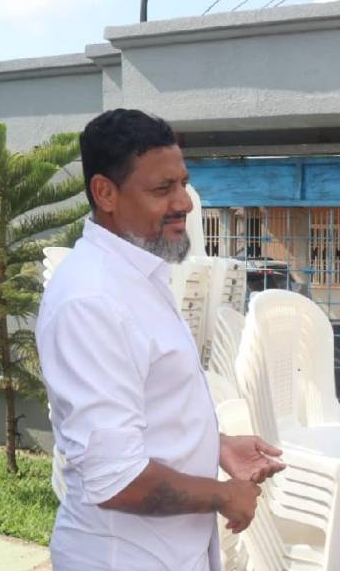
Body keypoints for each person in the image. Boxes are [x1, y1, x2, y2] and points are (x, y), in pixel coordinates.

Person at [36, 108, 284, 571]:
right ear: (105, 193)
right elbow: (117, 479)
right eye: (162, 189)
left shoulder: (141, 272)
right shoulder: (91, 301)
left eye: (183, 183)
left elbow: (150, 406)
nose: (184, 202)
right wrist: (225, 495)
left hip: (170, 551)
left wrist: (216, 444)